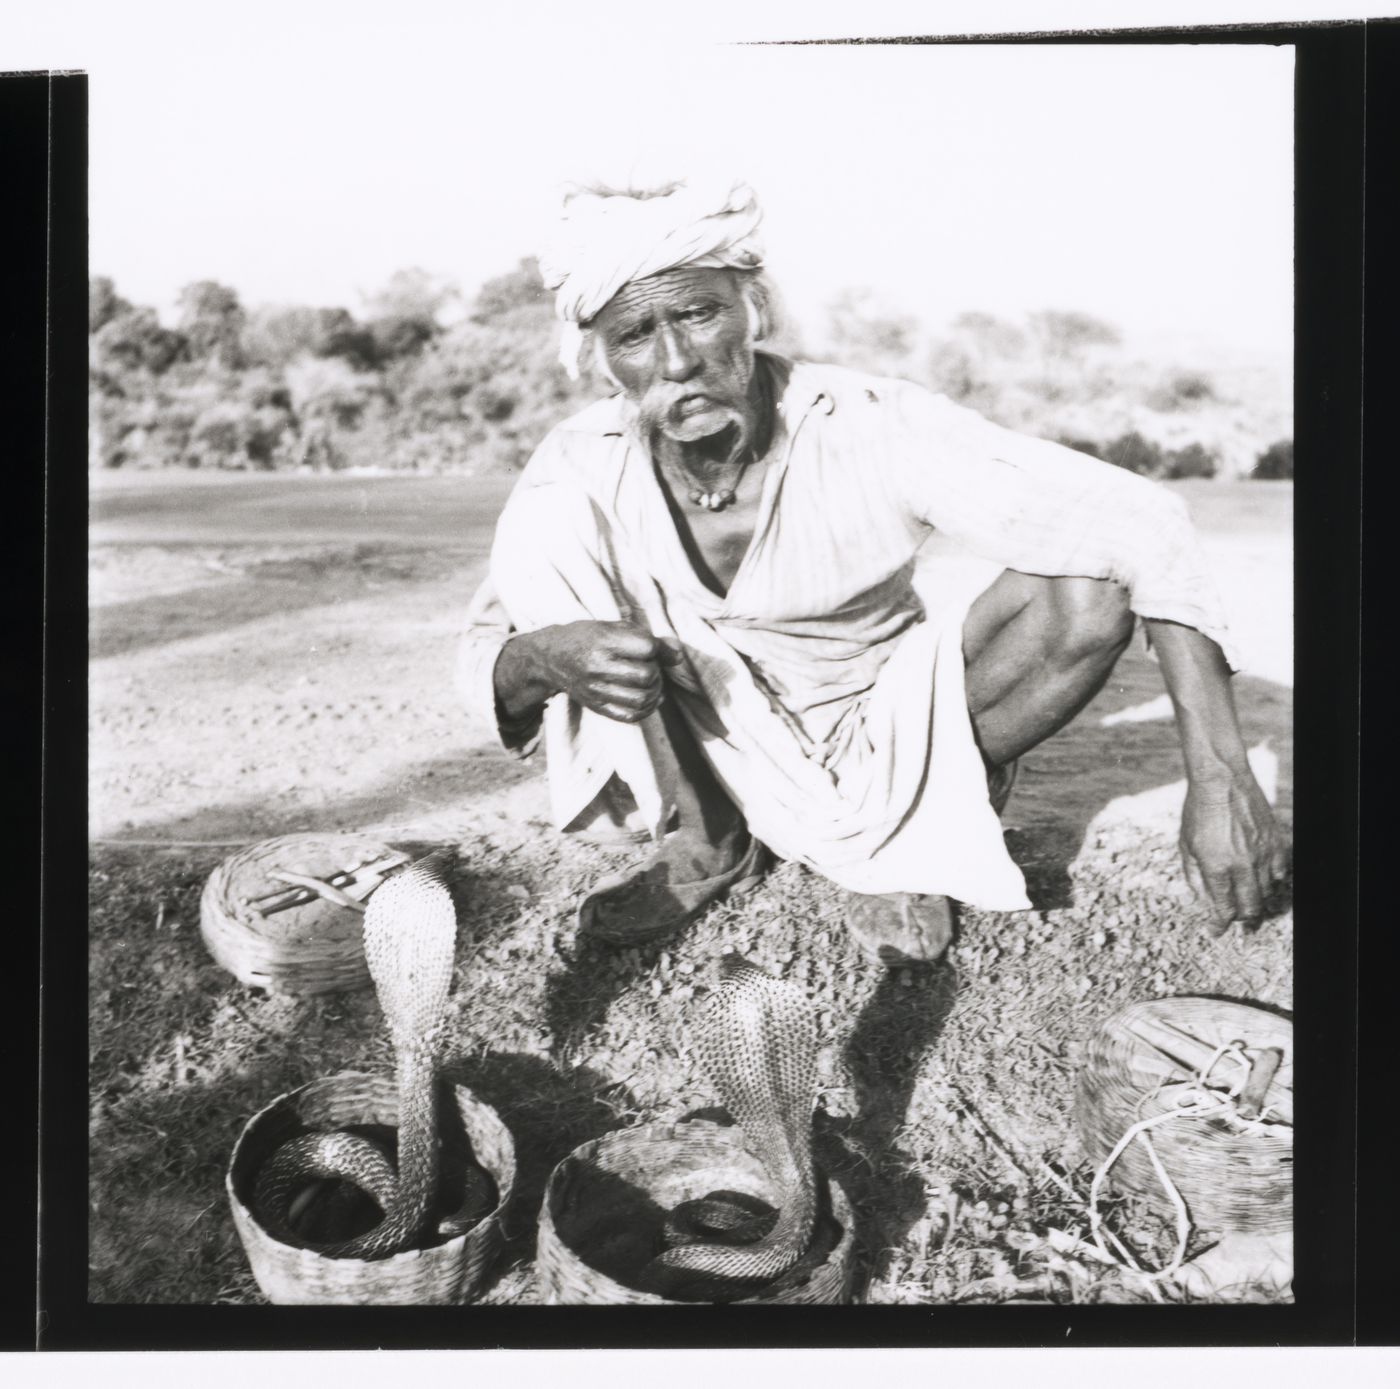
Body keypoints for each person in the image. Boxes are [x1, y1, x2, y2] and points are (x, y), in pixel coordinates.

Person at [455, 177, 1288, 965]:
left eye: (698, 314)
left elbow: (1139, 518)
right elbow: (496, 646)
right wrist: (546, 656)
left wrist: (1220, 779)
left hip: (888, 719)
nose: (677, 361)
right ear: (601, 357)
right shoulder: (579, 463)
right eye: (637, 334)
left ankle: (918, 828)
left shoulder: (869, 424)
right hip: (710, 740)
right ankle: (704, 843)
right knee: (560, 542)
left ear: (754, 307)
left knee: (1089, 587)